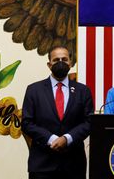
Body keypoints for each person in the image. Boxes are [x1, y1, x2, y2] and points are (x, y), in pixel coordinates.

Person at [21, 46, 94, 179]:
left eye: (64, 59)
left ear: (70, 63)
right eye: (56, 60)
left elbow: (89, 122)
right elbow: (27, 123)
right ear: (49, 64)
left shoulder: (83, 91)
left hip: (74, 164)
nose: (61, 63)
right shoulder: (33, 90)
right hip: (42, 164)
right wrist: (51, 139)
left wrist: (67, 138)